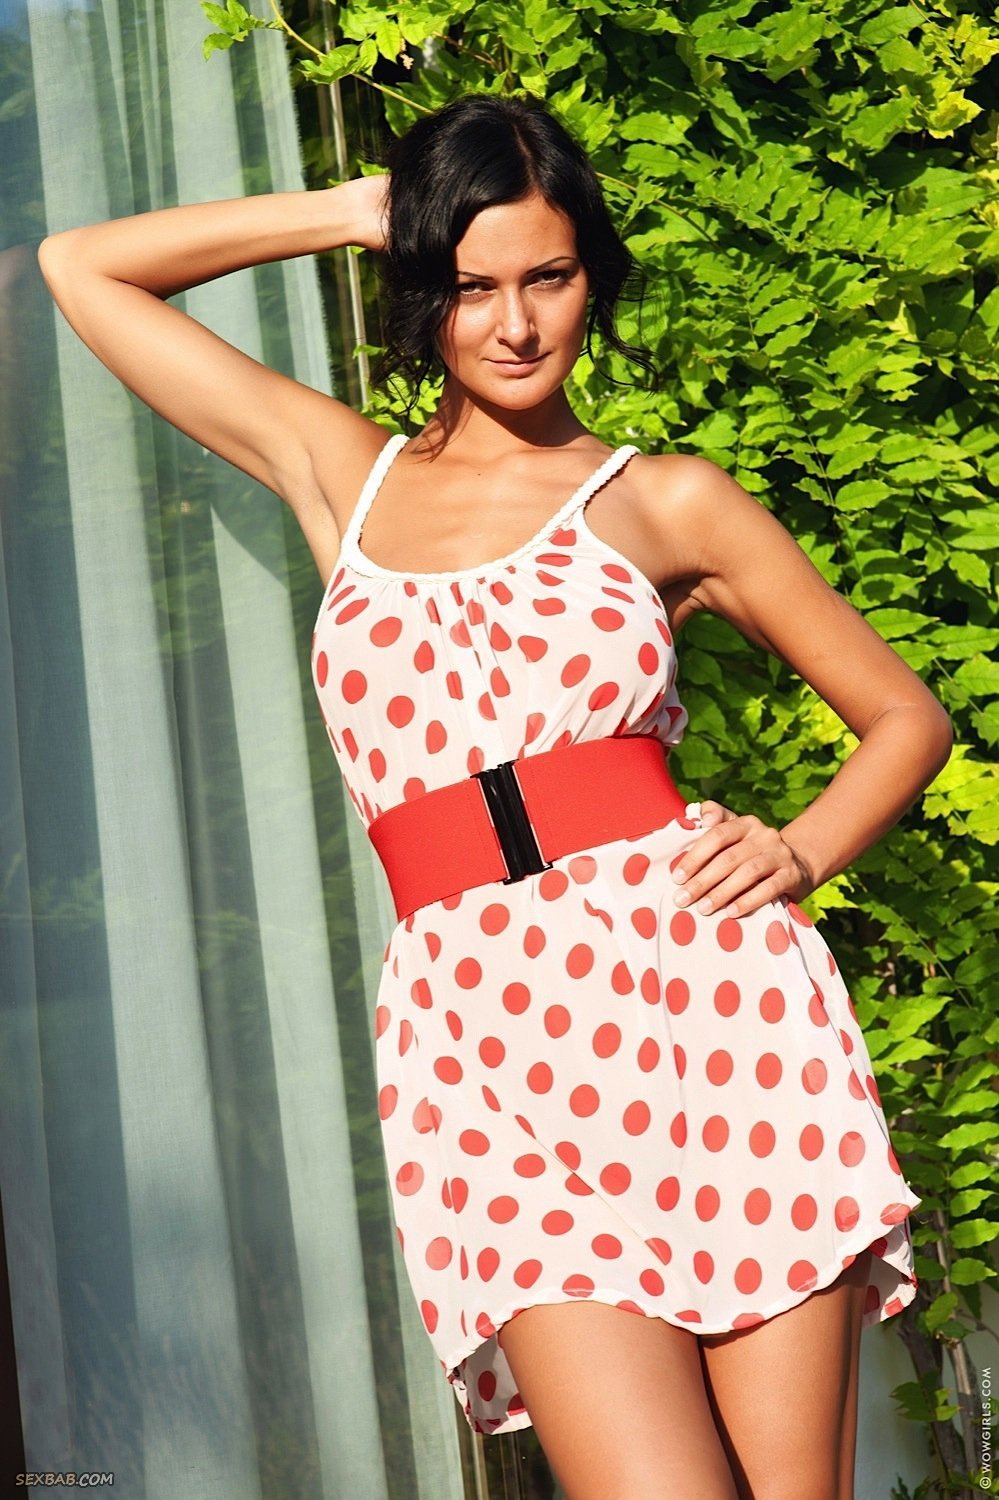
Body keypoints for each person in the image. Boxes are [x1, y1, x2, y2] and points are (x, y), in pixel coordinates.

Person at [38, 92, 951, 1500]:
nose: (516, 324)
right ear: (423, 288)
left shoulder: (668, 502)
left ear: (593, 279)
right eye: (471, 286)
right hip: (483, 1050)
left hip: (707, 1014)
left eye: (549, 277)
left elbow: (905, 716)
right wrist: (357, 210)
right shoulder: (346, 476)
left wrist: (801, 848)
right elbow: (83, 267)